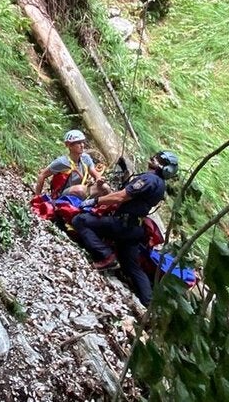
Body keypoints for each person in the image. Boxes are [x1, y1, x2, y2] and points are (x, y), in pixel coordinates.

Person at [70, 150, 179, 306]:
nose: (153, 158)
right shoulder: (160, 185)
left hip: (123, 224)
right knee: (131, 265)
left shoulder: (149, 179)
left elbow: (121, 196)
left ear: (164, 167)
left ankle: (107, 255)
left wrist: (95, 201)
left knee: (80, 220)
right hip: (135, 228)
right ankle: (150, 306)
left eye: (159, 159)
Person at [34, 130, 104, 199]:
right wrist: (37, 197)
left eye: (82, 142)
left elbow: (94, 172)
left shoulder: (86, 158)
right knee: (80, 189)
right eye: (78, 143)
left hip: (83, 189)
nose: (82, 145)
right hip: (65, 194)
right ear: (69, 146)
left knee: (105, 187)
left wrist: (99, 178)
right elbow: (42, 175)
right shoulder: (62, 162)